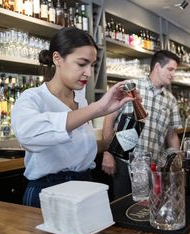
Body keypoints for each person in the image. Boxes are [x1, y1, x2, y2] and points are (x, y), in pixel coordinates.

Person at [11, 27, 133, 208]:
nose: (89, 73)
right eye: (82, 64)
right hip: (49, 190)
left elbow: (74, 150)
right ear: (57, 59)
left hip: (85, 185)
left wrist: (107, 144)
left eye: (92, 65)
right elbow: (29, 137)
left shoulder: (80, 100)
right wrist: (97, 108)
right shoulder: (32, 97)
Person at [101, 50, 181, 199]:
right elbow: (109, 118)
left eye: (175, 70)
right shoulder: (131, 87)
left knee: (148, 209)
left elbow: (172, 135)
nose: (173, 74)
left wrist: (175, 161)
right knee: (123, 208)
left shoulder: (170, 100)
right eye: (170, 69)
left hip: (154, 166)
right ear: (157, 66)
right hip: (124, 162)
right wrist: (107, 153)